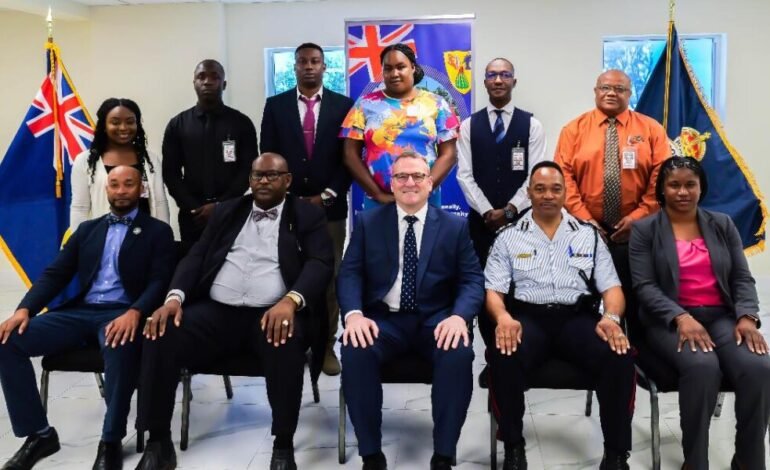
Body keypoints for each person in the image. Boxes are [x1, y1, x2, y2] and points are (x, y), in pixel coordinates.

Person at [135, 153, 333, 470]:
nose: (263, 181)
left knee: (284, 339)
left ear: (288, 180)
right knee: (161, 332)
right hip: (217, 311)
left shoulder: (306, 215)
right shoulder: (229, 211)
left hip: (272, 312)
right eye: (257, 175)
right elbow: (197, 256)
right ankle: (158, 442)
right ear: (249, 180)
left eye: (272, 175)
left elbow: (320, 263)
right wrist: (173, 298)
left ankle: (283, 446)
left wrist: (291, 301)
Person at [0, 166, 175, 470]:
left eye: (128, 185)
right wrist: (23, 309)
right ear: (106, 190)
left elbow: (160, 281)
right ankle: (39, 435)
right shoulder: (87, 230)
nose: (121, 191)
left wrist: (136, 311)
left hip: (122, 313)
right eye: (114, 185)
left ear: (141, 189)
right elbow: (55, 274)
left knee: (119, 345)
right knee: (7, 341)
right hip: (79, 311)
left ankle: (110, 441)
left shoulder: (158, 231)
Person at [337, 152, 484, 470]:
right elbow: (350, 273)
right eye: (401, 176)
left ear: (430, 183)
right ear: (391, 183)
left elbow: (472, 280)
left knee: (458, 353)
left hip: (436, 321)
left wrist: (459, 317)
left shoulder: (454, 227)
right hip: (383, 321)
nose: (409, 183)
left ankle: (444, 454)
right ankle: (371, 454)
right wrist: (354, 315)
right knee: (354, 348)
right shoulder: (369, 222)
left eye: (418, 176)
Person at [485, 161, 634, 470]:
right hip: (527, 319)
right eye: (539, 189)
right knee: (503, 353)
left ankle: (617, 454)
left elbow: (613, 289)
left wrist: (612, 319)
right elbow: (494, 293)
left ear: (566, 193)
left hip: (576, 319)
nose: (548, 195)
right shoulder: (508, 237)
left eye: (555, 189)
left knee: (619, 355)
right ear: (529, 193)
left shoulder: (588, 236)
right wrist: (503, 318)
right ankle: (513, 447)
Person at [629, 156, 770, 470]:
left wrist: (747, 316)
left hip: (721, 317)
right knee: (702, 366)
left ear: (701, 187)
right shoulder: (645, 230)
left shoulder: (722, 224)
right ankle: (695, 462)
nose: (682, 191)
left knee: (759, 368)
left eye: (690, 184)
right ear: (662, 190)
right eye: (674, 185)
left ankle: (749, 461)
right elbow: (645, 287)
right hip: (669, 321)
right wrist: (681, 317)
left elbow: (740, 278)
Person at [260, 42, 354, 376]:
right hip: (286, 209)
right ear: (295, 67)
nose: (309, 66)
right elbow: (267, 157)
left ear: (325, 66)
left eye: (315, 61)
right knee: (286, 274)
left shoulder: (344, 106)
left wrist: (327, 195)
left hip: (330, 210)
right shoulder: (276, 106)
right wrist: (285, 196)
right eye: (303, 62)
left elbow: (350, 159)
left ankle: (326, 348)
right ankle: (292, 343)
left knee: (327, 278)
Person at [554, 69, 670, 323]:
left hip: (639, 231)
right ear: (595, 91)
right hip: (584, 231)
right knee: (585, 299)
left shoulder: (652, 130)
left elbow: (662, 178)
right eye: (605, 88)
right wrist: (586, 220)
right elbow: (563, 179)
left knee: (638, 298)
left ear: (630, 94)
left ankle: (637, 353)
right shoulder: (573, 130)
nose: (611, 93)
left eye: (619, 89)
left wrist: (638, 218)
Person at [340, 43, 460, 209]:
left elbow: (449, 154)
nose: (394, 73)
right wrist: (378, 194)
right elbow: (349, 154)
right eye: (388, 68)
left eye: (400, 67)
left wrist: (424, 189)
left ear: (413, 68)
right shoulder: (365, 104)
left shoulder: (437, 103)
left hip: (426, 201)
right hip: (379, 202)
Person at [457, 57, 547, 266]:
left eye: (505, 75)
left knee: (521, 278)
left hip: (522, 221)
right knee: (480, 279)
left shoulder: (532, 125)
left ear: (514, 82)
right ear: (485, 82)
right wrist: (488, 212)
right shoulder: (468, 126)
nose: (498, 80)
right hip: (481, 223)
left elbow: (535, 177)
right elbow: (464, 175)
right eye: (492, 75)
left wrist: (509, 211)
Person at [162, 59, 258, 254]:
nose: (207, 81)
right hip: (192, 216)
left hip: (231, 212)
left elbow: (248, 170)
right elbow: (170, 173)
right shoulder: (177, 124)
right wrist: (193, 207)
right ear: (194, 83)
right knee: (193, 267)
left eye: (215, 77)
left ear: (224, 84)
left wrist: (221, 207)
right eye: (201, 77)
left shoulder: (241, 123)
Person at [70, 98, 169, 231]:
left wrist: (164, 238)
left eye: (130, 122)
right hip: (105, 238)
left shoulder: (150, 159)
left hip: (146, 238)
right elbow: (80, 208)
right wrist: (79, 244)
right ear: (104, 126)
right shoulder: (85, 161)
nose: (123, 128)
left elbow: (160, 203)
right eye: (115, 122)